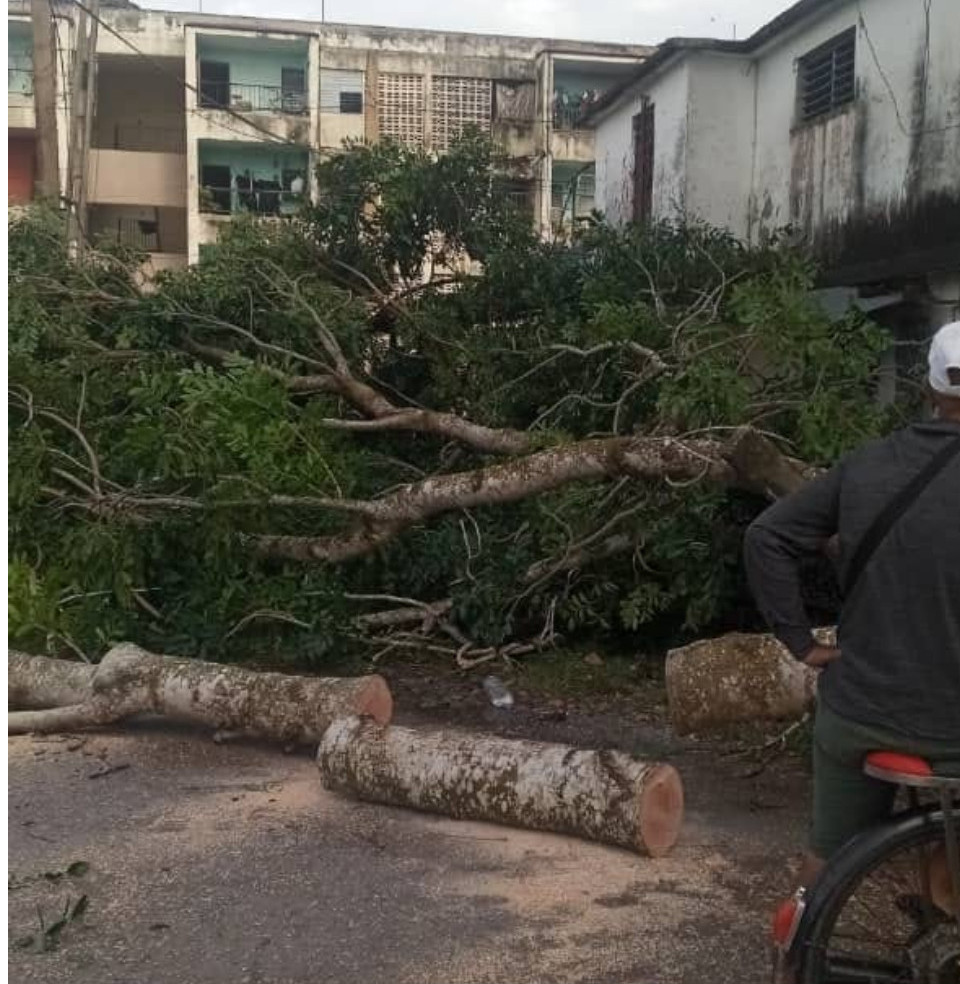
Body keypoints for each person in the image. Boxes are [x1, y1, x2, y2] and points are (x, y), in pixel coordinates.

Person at [743, 321, 960, 974]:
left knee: (826, 856)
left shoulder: (867, 466)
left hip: (860, 713)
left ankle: (794, 956)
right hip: (953, 729)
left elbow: (767, 538)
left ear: (927, 385)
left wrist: (800, 642)